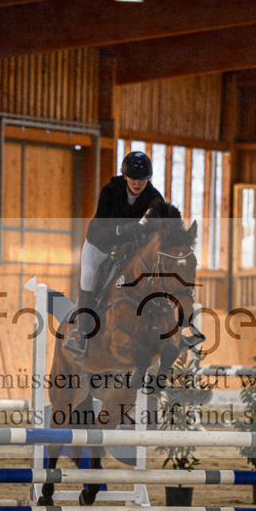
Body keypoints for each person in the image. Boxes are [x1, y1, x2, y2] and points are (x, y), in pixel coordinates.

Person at [63, 151, 164, 358]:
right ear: (125, 176)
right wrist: (123, 230)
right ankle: (81, 334)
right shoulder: (110, 190)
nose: (137, 183)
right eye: (134, 179)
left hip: (125, 249)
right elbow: (102, 225)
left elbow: (163, 221)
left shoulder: (153, 196)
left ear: (148, 179)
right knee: (89, 277)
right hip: (98, 244)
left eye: (142, 180)